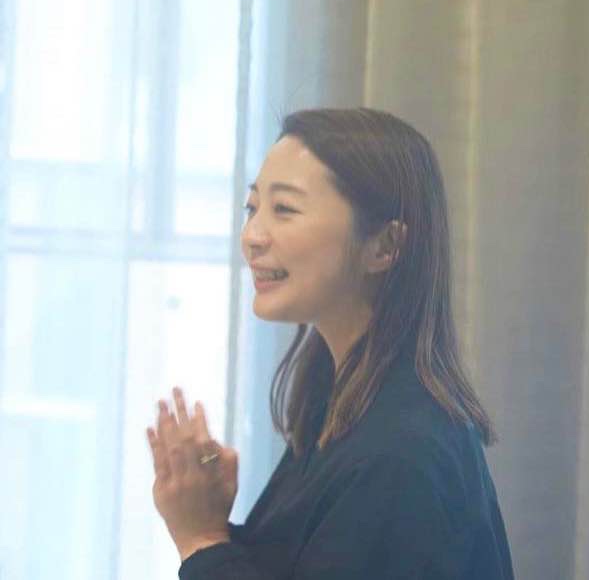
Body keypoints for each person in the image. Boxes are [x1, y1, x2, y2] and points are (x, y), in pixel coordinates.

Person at [144, 108, 514, 579]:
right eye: (253, 208)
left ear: (384, 246)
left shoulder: (401, 453)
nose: (252, 236)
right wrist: (206, 517)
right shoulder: (340, 400)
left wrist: (202, 539)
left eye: (285, 209)